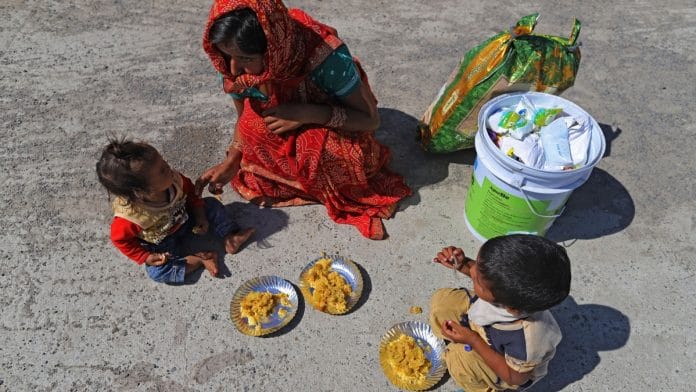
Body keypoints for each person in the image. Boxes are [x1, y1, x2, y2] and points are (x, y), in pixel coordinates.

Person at [197, 0, 411, 240]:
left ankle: (307, 179)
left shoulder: (327, 58)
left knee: (325, 154)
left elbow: (370, 120)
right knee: (252, 127)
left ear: (272, 47)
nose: (234, 70)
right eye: (228, 56)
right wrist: (233, 159)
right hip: (286, 111)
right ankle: (306, 182)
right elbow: (244, 116)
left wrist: (305, 114)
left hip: (337, 114)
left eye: (245, 58)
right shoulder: (231, 63)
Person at [96, 139, 255, 283]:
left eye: (164, 162)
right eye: (162, 171)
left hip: (186, 220)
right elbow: (120, 240)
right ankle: (199, 260)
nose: (169, 168)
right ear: (141, 191)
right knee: (157, 273)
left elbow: (192, 196)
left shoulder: (176, 182)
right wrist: (145, 256)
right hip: (162, 243)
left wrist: (200, 216)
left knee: (211, 204)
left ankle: (230, 236)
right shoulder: (130, 217)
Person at [429, 234, 571, 391]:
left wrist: (474, 340)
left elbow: (514, 377)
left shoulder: (528, 341)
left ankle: (483, 385)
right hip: (482, 324)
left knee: (460, 360)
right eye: (477, 263)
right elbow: (488, 278)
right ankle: (449, 337)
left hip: (502, 364)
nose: (473, 269)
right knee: (442, 303)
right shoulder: (508, 293)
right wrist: (462, 263)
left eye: (478, 281)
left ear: (511, 309)